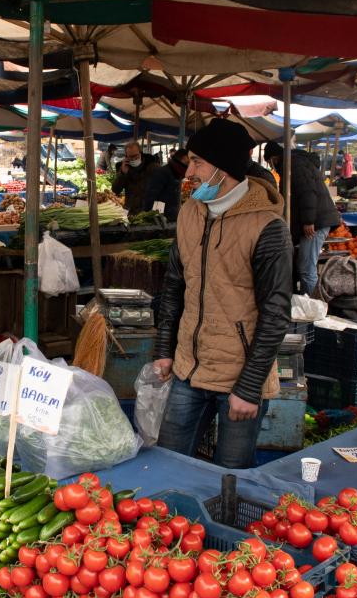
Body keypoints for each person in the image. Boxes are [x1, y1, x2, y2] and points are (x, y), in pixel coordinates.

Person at [153, 120, 292, 469]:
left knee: (230, 478)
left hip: (239, 376)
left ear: (223, 168)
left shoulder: (268, 227)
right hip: (188, 368)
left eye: (198, 162)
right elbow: (173, 285)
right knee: (168, 465)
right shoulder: (190, 213)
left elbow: (276, 313)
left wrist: (248, 387)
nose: (190, 171)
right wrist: (165, 350)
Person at [291, 149, 341, 295]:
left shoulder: (297, 166)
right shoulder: (301, 164)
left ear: (274, 158)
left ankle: (313, 306)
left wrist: (308, 221)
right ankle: (309, 301)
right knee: (305, 266)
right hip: (318, 220)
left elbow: (308, 193)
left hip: (316, 223)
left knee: (307, 269)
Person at [111, 140, 160, 215]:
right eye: (130, 157)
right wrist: (123, 173)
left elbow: (162, 189)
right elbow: (115, 190)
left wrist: (158, 210)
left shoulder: (152, 166)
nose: (133, 159)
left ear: (140, 152)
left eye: (135, 155)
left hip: (149, 210)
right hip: (130, 211)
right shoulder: (124, 167)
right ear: (126, 156)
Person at [144, 148, 187, 220]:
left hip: (173, 219)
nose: (188, 166)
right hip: (162, 222)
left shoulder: (177, 174)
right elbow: (151, 197)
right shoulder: (162, 172)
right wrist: (157, 217)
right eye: (187, 163)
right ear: (179, 160)